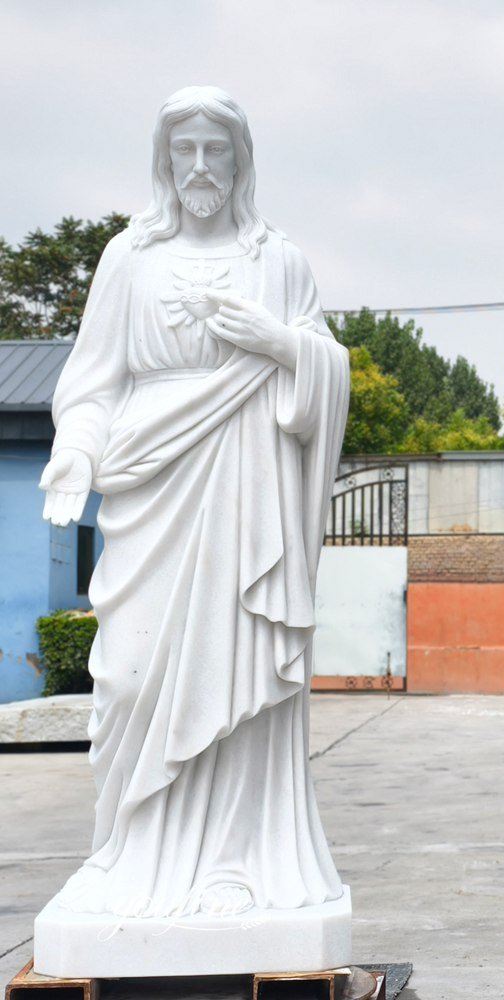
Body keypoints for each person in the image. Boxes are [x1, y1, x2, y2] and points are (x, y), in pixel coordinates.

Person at [39, 86, 349, 919]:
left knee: (243, 679)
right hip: (153, 486)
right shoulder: (127, 258)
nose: (202, 167)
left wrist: (276, 342)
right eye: (187, 151)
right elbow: (93, 380)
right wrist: (75, 450)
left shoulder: (276, 260)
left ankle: (236, 865)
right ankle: (128, 850)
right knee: (133, 678)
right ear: (164, 159)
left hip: (249, 486)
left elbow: (325, 370)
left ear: (242, 159)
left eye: (218, 149)